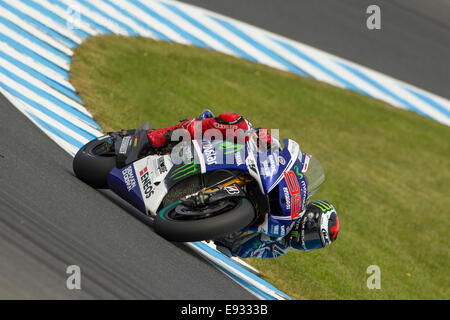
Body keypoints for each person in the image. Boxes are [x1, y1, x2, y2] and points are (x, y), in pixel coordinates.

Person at [143, 110, 339, 258]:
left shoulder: (279, 248)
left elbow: (240, 250)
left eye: (313, 244)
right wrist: (269, 142)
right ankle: (157, 137)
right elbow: (288, 153)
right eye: (312, 235)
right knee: (237, 122)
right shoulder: (295, 199)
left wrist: (257, 237)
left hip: (214, 225)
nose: (306, 241)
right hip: (240, 161)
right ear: (309, 216)